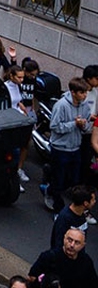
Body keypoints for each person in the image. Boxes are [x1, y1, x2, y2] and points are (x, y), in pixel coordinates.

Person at [48, 78, 95, 211]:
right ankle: (58, 207)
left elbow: (85, 126)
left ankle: (50, 187)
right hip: (60, 148)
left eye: (85, 92)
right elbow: (55, 126)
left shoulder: (84, 106)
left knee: (74, 179)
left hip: (75, 148)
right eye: (81, 92)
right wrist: (74, 124)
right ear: (73, 92)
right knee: (59, 179)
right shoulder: (61, 105)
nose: (84, 95)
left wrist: (83, 124)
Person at [51, 185, 96, 252]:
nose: (95, 201)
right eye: (93, 200)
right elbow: (58, 244)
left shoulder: (82, 215)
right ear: (85, 203)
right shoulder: (64, 218)